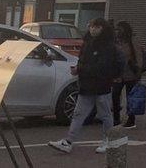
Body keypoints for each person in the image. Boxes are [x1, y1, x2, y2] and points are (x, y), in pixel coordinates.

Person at [48, 18, 121, 155]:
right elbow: (85, 61)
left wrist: (80, 69)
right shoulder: (88, 43)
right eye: (91, 26)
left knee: (104, 114)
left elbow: (101, 66)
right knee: (79, 114)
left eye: (96, 27)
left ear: (102, 28)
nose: (92, 29)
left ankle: (107, 141)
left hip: (101, 84)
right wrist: (79, 68)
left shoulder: (107, 47)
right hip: (88, 84)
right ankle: (68, 141)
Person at [112, 21, 144, 129]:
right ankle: (115, 119)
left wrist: (139, 71)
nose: (117, 32)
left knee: (131, 97)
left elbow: (138, 56)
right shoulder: (116, 42)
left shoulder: (132, 41)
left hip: (130, 74)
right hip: (118, 74)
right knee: (115, 96)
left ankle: (131, 119)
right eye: (116, 29)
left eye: (119, 29)